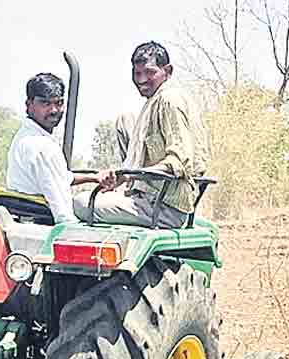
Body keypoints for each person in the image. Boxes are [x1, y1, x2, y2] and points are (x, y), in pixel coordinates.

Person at [74, 41, 208, 228]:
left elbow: (180, 161)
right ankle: (125, 190)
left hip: (163, 206)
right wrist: (121, 176)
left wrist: (134, 174)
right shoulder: (154, 100)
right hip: (146, 195)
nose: (142, 79)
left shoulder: (169, 100)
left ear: (167, 71)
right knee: (125, 119)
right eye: (137, 73)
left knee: (80, 203)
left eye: (150, 72)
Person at [5, 72, 102, 224]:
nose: (54, 110)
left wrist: (94, 177)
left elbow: (59, 178)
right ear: (29, 105)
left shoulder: (23, 137)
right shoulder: (43, 146)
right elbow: (63, 213)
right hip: (43, 223)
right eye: (45, 103)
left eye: (58, 103)